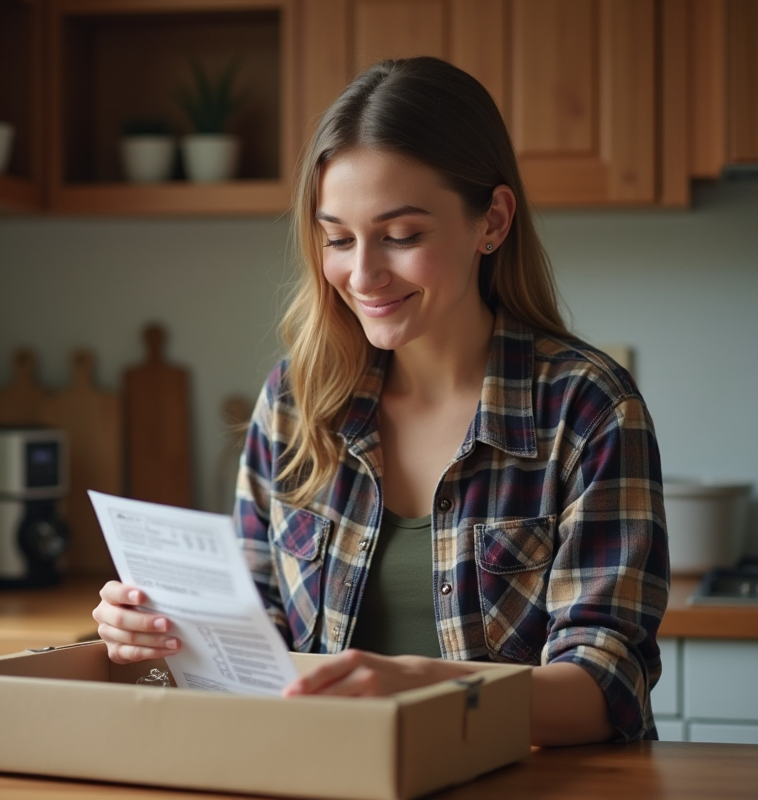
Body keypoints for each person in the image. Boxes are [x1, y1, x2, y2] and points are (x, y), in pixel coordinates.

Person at [93, 56, 670, 747]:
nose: (362, 274)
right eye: (337, 238)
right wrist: (165, 636)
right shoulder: (296, 401)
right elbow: (256, 648)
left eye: (401, 236)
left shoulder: (588, 407)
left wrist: (428, 690)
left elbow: (607, 688)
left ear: (492, 220)